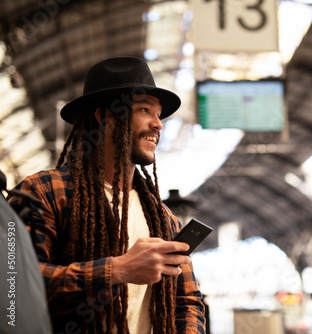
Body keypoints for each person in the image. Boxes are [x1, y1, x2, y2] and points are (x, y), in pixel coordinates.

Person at [8, 57, 206, 334]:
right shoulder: (43, 192)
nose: (158, 124)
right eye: (145, 109)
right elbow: (13, 286)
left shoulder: (163, 219)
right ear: (106, 117)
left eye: (159, 114)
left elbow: (186, 301)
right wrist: (117, 270)